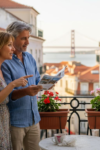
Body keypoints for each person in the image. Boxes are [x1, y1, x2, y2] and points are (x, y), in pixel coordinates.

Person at [1, 21, 45, 150]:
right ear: (12, 39)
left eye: (28, 38)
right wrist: (26, 91)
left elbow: (36, 80)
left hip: (34, 119)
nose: (27, 42)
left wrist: (45, 85)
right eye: (23, 38)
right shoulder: (5, 62)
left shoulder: (30, 57)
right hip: (15, 123)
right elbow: (7, 94)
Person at [0, 32, 33, 150]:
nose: (13, 49)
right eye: (9, 45)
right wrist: (14, 84)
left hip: (4, 120)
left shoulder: (0, 69)